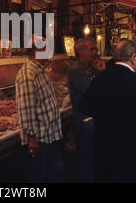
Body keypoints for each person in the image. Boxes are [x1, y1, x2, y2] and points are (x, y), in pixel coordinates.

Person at [79, 39, 136, 183]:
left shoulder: (100, 77)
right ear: (133, 57)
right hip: (130, 153)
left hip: (104, 150)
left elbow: (84, 106)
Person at [15, 36, 64, 183]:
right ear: (38, 50)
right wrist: (32, 139)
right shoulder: (28, 74)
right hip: (41, 140)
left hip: (51, 135)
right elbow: (26, 109)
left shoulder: (41, 70)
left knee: (54, 175)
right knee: (39, 178)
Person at [67, 37, 98, 183]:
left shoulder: (89, 68)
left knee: (91, 158)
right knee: (86, 158)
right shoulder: (76, 70)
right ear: (81, 51)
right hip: (84, 119)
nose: (95, 52)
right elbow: (94, 90)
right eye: (91, 49)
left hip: (91, 119)